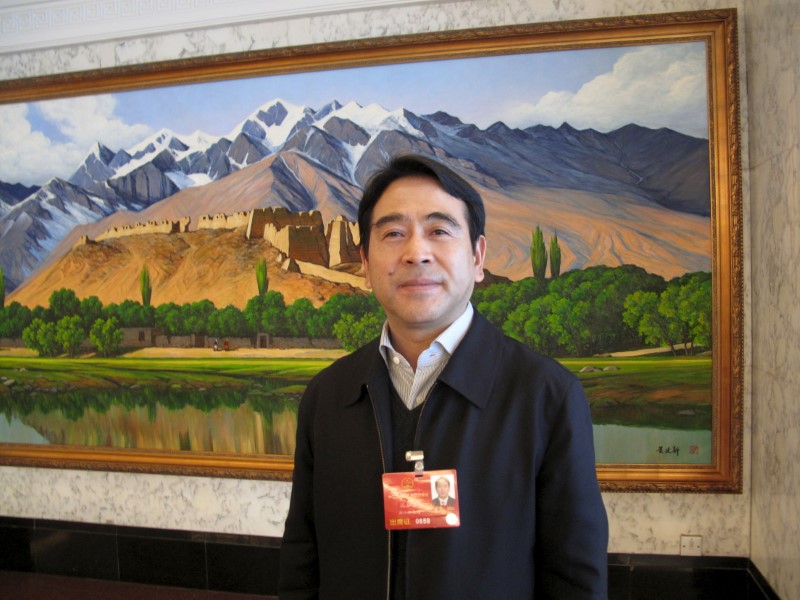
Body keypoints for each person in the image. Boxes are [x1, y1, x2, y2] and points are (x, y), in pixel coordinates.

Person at [279, 154, 608, 599]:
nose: (416, 253)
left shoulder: (546, 396)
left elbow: (575, 580)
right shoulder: (328, 396)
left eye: (439, 231)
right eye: (393, 233)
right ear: (364, 261)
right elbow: (303, 562)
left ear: (477, 256)